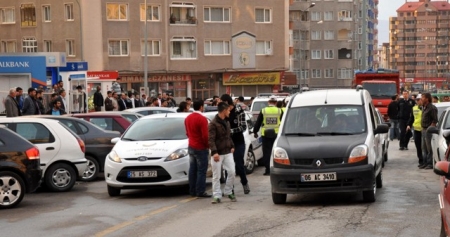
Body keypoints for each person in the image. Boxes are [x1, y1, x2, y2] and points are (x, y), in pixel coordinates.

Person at [221, 94, 250, 194]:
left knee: (239, 163)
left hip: (238, 142)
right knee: (227, 167)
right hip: (227, 143)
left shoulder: (239, 111)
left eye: (223, 102)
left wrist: (231, 131)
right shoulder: (222, 112)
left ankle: (244, 182)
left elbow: (243, 127)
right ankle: (230, 189)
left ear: (227, 102)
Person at [208, 102, 236, 203]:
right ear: (224, 111)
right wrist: (214, 152)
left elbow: (228, 136)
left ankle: (228, 191)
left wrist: (232, 145)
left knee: (232, 172)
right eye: (228, 110)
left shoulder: (227, 122)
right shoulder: (213, 124)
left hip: (227, 152)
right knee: (217, 176)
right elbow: (211, 139)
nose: (230, 112)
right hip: (217, 153)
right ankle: (217, 195)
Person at [185, 99, 211, 198]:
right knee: (201, 170)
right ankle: (200, 191)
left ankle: (192, 190)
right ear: (201, 107)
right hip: (200, 147)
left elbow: (187, 132)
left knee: (192, 169)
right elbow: (205, 135)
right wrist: (208, 146)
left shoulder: (188, 118)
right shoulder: (202, 119)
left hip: (191, 146)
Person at [253, 96, 283, 175]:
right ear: (276, 103)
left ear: (268, 102)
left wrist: (255, 131)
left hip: (265, 135)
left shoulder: (263, 111)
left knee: (267, 152)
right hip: (277, 135)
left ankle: (268, 170)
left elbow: (258, 122)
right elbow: (283, 123)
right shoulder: (279, 111)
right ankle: (277, 168)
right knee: (276, 152)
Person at [421, 93, 438, 169]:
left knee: (429, 148)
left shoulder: (432, 108)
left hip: (428, 130)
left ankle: (430, 163)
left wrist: (430, 129)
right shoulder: (424, 107)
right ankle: (425, 162)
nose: (421, 99)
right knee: (424, 147)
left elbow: (435, 120)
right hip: (423, 129)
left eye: (423, 97)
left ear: (427, 99)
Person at [407, 94, 423, 167]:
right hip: (416, 129)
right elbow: (412, 118)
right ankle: (420, 161)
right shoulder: (414, 108)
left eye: (419, 100)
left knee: (424, 147)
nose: (418, 101)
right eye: (417, 100)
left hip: (424, 130)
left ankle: (425, 160)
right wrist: (408, 125)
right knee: (418, 146)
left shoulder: (425, 108)